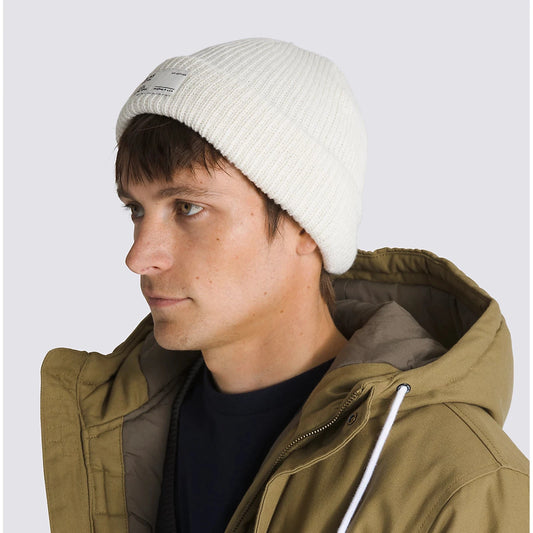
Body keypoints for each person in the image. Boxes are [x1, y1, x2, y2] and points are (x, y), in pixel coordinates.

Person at [41, 38, 528, 533]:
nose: (139, 257)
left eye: (188, 207)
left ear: (304, 225)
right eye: (136, 210)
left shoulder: (459, 480)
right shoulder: (115, 435)